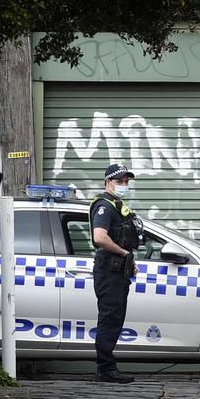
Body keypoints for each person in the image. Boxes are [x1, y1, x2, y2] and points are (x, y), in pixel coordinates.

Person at [90, 164, 141, 383]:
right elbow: (99, 237)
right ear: (108, 182)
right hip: (109, 270)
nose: (124, 185)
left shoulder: (116, 205)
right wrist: (123, 252)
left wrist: (128, 258)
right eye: (119, 181)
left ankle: (108, 366)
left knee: (115, 318)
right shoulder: (105, 206)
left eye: (126, 181)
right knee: (110, 318)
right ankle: (106, 369)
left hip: (117, 269)